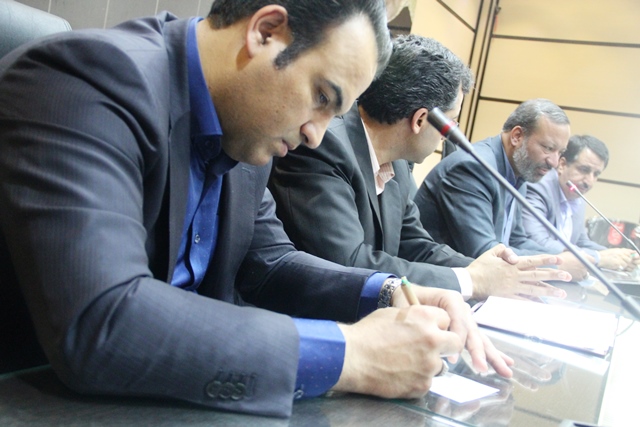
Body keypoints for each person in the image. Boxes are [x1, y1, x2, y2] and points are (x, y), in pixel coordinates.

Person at [0, 0, 513, 418]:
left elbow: (269, 263)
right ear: (266, 32)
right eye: (321, 96)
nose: (316, 135)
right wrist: (350, 355)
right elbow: (102, 320)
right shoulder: (86, 78)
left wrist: (386, 291)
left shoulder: (246, 127)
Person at [269, 36, 569, 302]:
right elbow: (349, 262)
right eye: (452, 121)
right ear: (420, 120)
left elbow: (414, 244)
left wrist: (484, 269)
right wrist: (469, 280)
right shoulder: (325, 146)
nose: (450, 134)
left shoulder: (398, 162)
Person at [413, 98, 589, 279]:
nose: (554, 162)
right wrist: (558, 264)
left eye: (560, 152)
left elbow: (516, 240)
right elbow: (485, 253)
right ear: (517, 136)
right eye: (548, 148)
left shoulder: (519, 172)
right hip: (434, 281)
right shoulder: (473, 168)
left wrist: (562, 256)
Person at [524, 135, 640, 272]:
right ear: (562, 165)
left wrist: (619, 257)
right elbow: (537, 242)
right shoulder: (538, 188)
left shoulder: (576, 196)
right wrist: (598, 258)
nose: (589, 181)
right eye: (584, 170)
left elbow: (581, 242)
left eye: (596, 174)